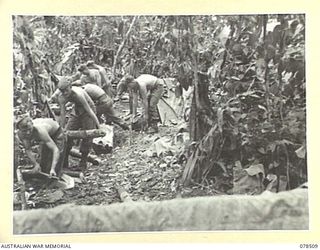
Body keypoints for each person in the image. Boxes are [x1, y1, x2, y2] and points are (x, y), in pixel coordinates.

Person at [57, 77, 100, 171]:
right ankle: (64, 163)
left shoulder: (78, 94)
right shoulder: (61, 97)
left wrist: (98, 126)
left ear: (71, 87)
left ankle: (83, 164)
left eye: (66, 90)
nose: (65, 93)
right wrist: (62, 128)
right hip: (76, 110)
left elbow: (90, 111)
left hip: (88, 110)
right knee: (67, 135)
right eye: (62, 91)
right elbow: (62, 114)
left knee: (87, 136)